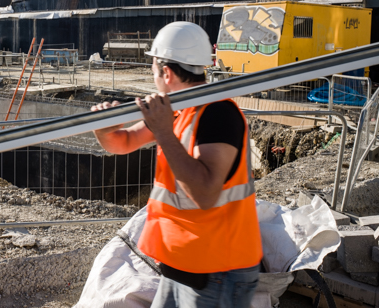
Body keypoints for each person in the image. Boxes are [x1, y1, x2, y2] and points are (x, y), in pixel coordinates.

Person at [91, 22, 262, 308]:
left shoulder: (217, 113)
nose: (151, 73)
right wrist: (103, 130)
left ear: (166, 72)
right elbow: (123, 143)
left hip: (217, 270)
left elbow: (205, 193)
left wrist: (163, 133)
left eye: (153, 66)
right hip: (183, 261)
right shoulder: (177, 108)